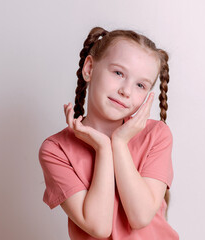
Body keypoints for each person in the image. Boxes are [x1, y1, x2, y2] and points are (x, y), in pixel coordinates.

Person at [38, 26, 179, 239]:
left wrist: (120, 143)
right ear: (89, 68)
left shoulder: (156, 135)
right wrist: (103, 148)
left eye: (140, 85)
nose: (126, 90)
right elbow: (99, 227)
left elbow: (140, 216)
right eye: (118, 73)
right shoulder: (56, 149)